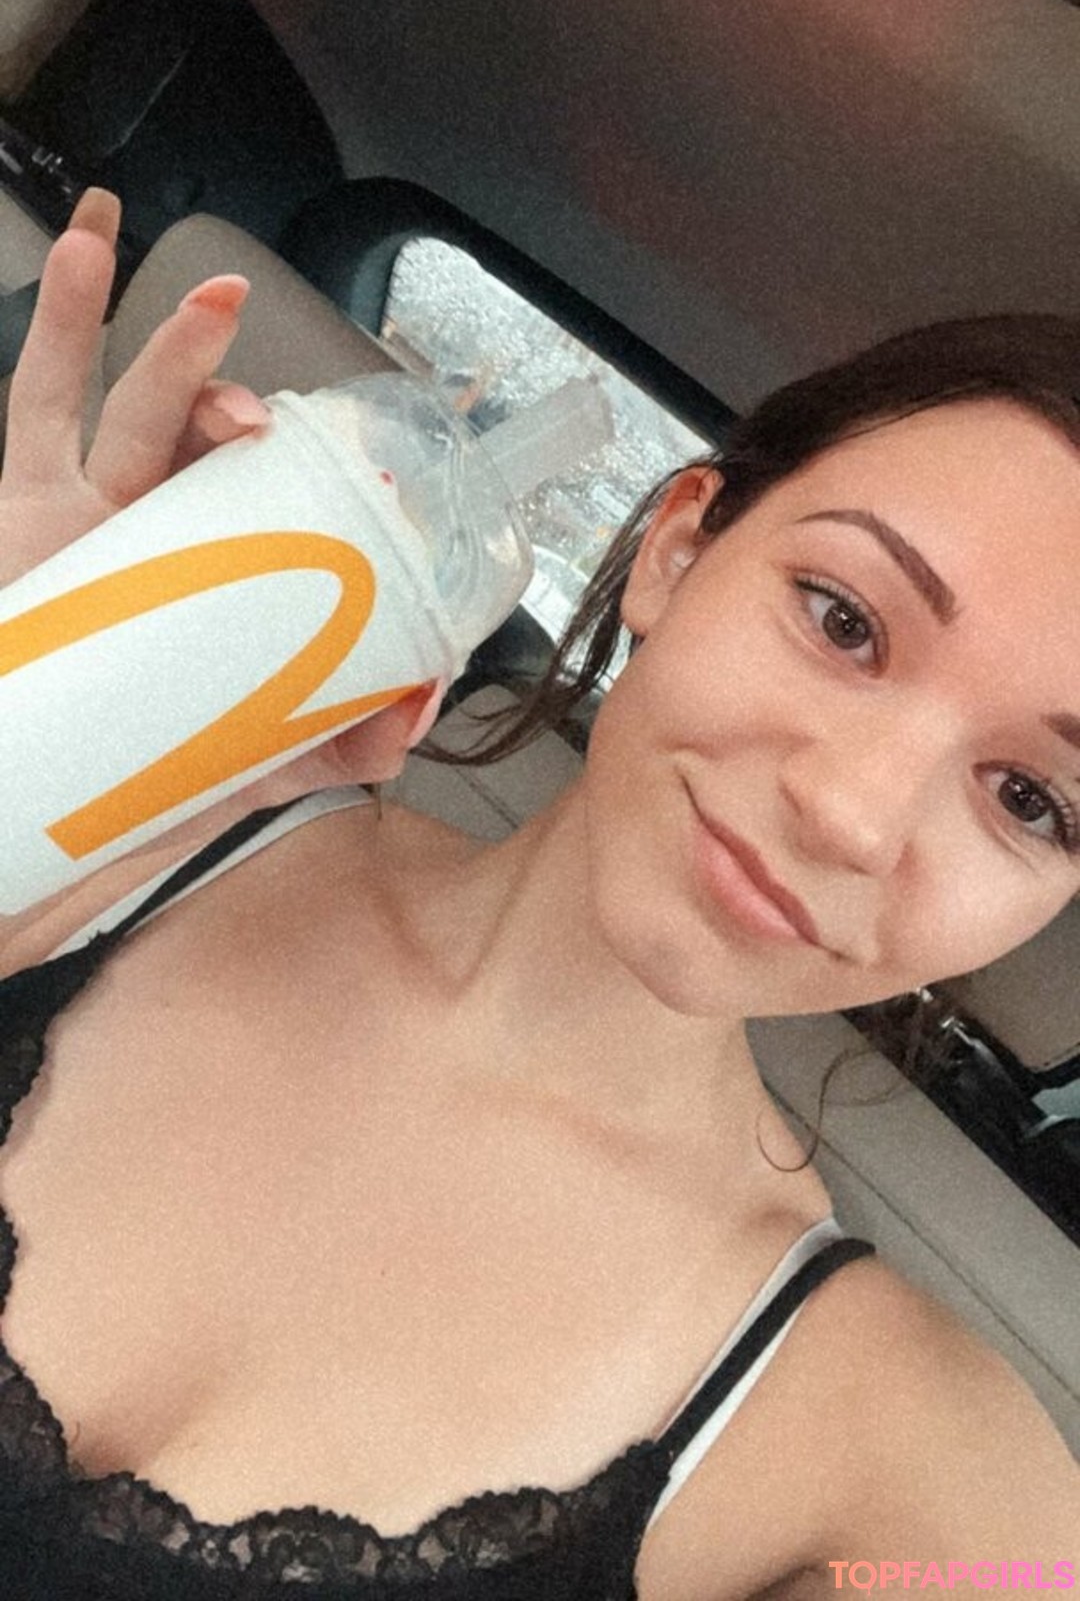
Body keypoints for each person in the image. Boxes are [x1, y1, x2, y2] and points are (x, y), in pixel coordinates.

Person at [0, 187, 1076, 1599]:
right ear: (676, 553)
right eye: (844, 619)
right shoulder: (136, 826)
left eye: (1030, 800)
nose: (852, 813)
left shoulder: (904, 1454)